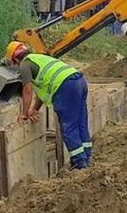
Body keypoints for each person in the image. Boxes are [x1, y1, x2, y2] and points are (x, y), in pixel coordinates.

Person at [5, 41, 92, 170]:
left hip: (65, 87)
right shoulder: (39, 58)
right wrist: (34, 109)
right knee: (80, 123)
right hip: (79, 81)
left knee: (69, 127)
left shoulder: (25, 65)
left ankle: (80, 163)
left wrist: (24, 114)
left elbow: (27, 90)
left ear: (15, 58)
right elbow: (42, 91)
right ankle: (86, 157)